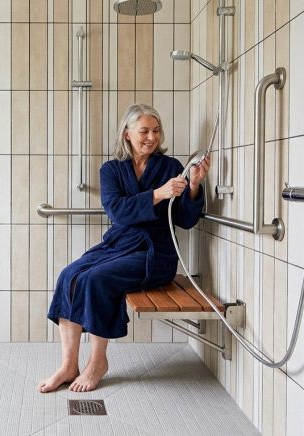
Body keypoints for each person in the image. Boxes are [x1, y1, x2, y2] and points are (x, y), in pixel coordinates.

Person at [38, 103, 210, 393]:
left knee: (96, 279)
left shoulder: (171, 167)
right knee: (69, 275)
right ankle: (69, 364)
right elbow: (117, 212)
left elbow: (184, 219)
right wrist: (159, 193)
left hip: (155, 252)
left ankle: (98, 361)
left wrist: (192, 186)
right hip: (117, 245)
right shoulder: (111, 170)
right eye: (144, 131)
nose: (151, 137)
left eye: (156, 131)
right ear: (127, 134)